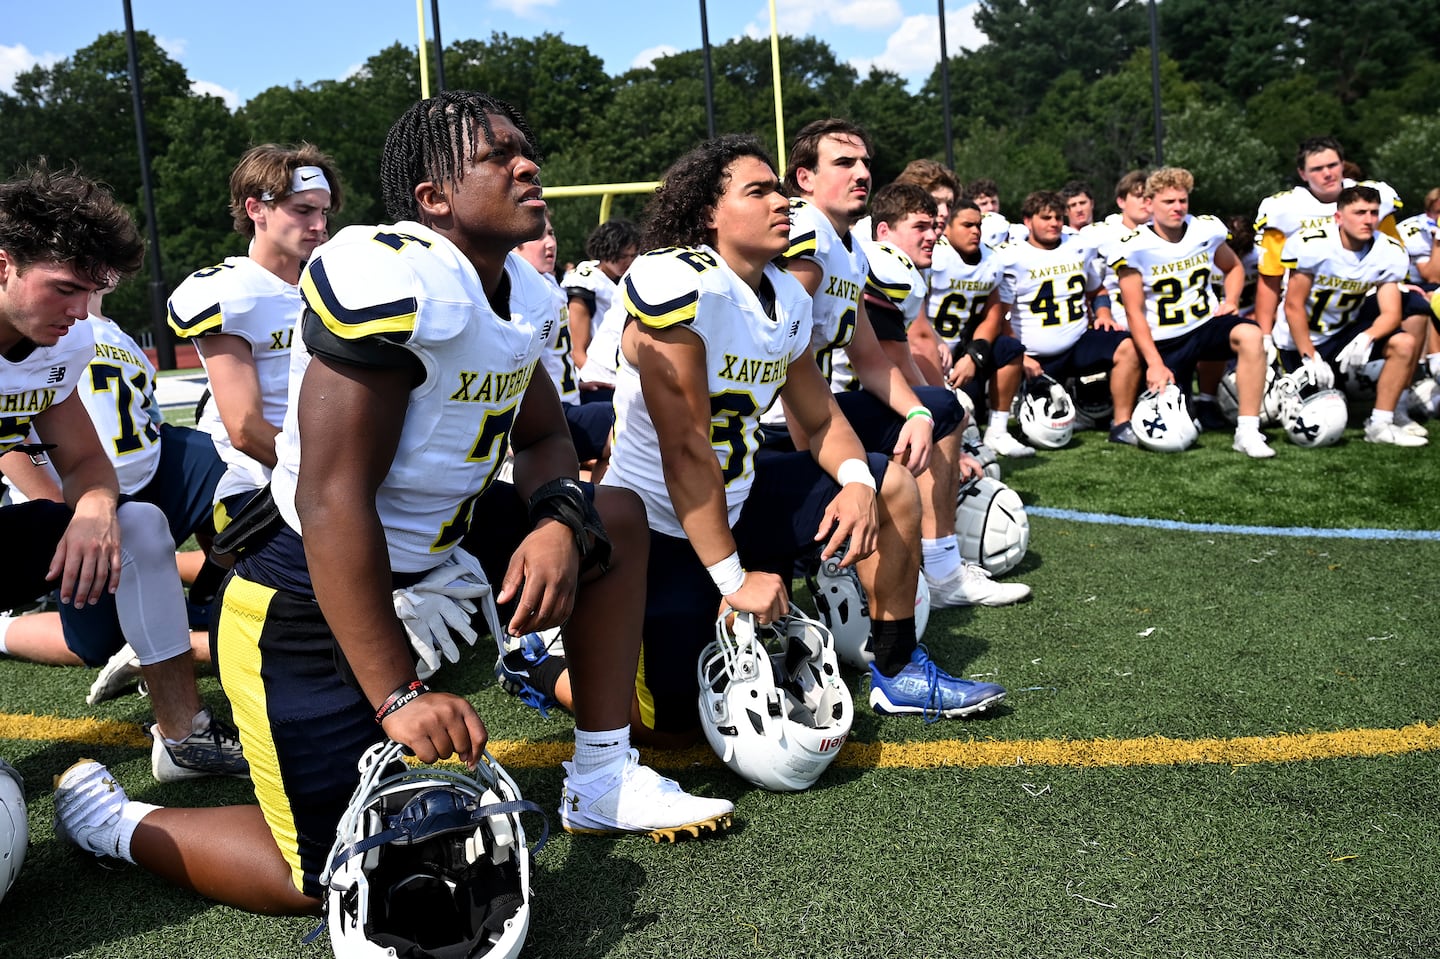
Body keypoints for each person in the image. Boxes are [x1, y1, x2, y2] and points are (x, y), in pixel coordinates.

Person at [53, 92, 733, 917]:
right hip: (306, 595)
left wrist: (556, 517)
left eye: (527, 148)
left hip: (438, 556)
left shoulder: (521, 288)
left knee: (611, 513)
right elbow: (332, 496)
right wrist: (398, 694)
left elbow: (547, 433)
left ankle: (599, 775)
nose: (529, 164)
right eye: (498, 155)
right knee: (328, 878)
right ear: (432, 196)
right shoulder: (393, 274)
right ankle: (117, 822)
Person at [606, 133, 1008, 735]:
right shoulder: (682, 286)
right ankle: (537, 662)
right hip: (660, 522)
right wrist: (733, 580)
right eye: (759, 190)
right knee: (665, 718)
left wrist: (853, 480)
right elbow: (685, 449)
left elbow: (819, 418)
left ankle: (897, 670)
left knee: (890, 483)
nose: (781, 203)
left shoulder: (788, 295)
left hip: (742, 494)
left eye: (779, 189)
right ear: (711, 212)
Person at [0, 164, 245, 782]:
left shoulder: (61, 345)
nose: (81, 312)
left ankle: (182, 738)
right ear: (4, 265)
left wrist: (90, 510)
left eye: (91, 291)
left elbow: (83, 458)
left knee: (137, 522)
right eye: (64, 288)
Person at [774, 118, 1028, 609]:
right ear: (805, 178)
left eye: (865, 162)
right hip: (771, 420)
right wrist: (824, 461)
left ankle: (938, 565)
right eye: (844, 163)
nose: (861, 172)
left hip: (814, 410)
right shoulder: (806, 228)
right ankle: (923, 566)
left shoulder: (849, 250)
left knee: (938, 409)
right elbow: (784, 356)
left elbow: (868, 355)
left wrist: (915, 414)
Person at [1, 284, 225, 687]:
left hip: (125, 488)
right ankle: (2, 630)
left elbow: (142, 421)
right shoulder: (36, 332)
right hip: (68, 502)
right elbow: (15, 435)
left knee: (222, 470)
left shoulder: (92, 334)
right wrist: (57, 513)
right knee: (97, 644)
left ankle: (216, 592)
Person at [167, 143, 341, 533]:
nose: (318, 225)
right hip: (251, 479)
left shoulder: (330, 285)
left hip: (318, 462)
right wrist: (332, 482)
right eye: (302, 210)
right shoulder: (235, 290)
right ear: (255, 209)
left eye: (323, 212)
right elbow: (244, 428)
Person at [1103, 168, 1274, 458]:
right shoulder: (1134, 246)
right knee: (1174, 427)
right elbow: (1134, 313)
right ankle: (1120, 423)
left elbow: (1233, 267)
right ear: (1150, 203)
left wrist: (1231, 299)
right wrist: (1155, 364)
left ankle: (1247, 431)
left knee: (1250, 334)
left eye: (1182, 200)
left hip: (1203, 325)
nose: (1177, 207)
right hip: (1164, 339)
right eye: (1169, 201)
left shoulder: (1205, 229)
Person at [1277, 185, 1427, 447]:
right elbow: (1293, 305)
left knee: (1404, 342)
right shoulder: (1313, 244)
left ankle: (1381, 423)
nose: (1368, 220)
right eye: (1359, 212)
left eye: (1372, 212)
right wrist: (1308, 355)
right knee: (1307, 424)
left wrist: (1368, 336)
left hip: (1343, 332)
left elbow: (1391, 313)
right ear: (1338, 217)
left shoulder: (1388, 250)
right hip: (1299, 339)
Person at [993, 190, 1143, 443]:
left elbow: (1097, 289)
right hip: (1033, 355)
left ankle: (1121, 424)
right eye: (1046, 217)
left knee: (1128, 346)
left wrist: (1104, 313)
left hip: (1077, 342)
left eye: (1058, 217)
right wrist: (1022, 356)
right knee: (1042, 432)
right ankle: (999, 426)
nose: (1054, 223)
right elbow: (998, 315)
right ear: (1028, 221)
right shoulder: (1011, 257)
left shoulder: (1079, 246)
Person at [921, 198, 1031, 456]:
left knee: (1010, 348)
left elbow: (992, 316)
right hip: (925, 347)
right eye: (967, 225)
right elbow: (916, 317)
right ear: (946, 227)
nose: (975, 231)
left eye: (979, 225)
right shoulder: (933, 255)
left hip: (961, 347)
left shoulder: (991, 259)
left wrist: (974, 355)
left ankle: (998, 431)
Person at [516, 212, 612, 480]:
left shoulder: (546, 280)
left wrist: (576, 383)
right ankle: (602, 512)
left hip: (569, 396)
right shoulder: (520, 289)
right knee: (629, 422)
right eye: (539, 236)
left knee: (627, 398)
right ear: (515, 245)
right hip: (550, 414)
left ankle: (597, 505)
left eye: (552, 233)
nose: (550, 243)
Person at [561, 219, 640, 393]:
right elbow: (577, 350)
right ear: (606, 251)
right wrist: (598, 380)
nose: (628, 261)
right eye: (621, 256)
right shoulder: (586, 284)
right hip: (598, 378)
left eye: (632, 255)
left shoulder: (625, 277)